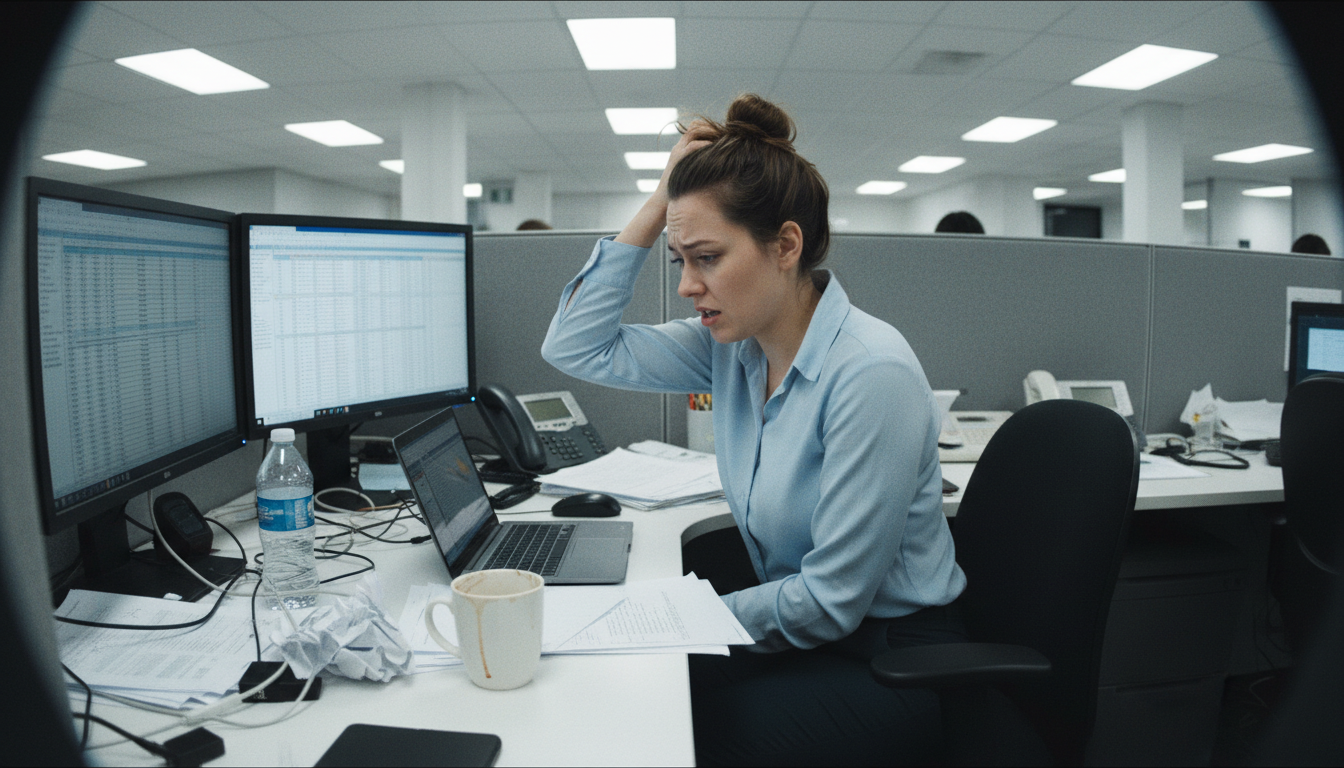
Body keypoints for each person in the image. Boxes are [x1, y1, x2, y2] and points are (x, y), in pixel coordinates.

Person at [541, 94, 966, 765]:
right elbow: (576, 347)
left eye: (706, 257)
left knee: (675, 728)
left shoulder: (868, 373)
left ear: (785, 245)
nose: (686, 285)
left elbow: (831, 602)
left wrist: (683, 622)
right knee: (621, 687)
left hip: (891, 657)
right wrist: (661, 201)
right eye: (680, 260)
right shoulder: (732, 350)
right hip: (808, 632)